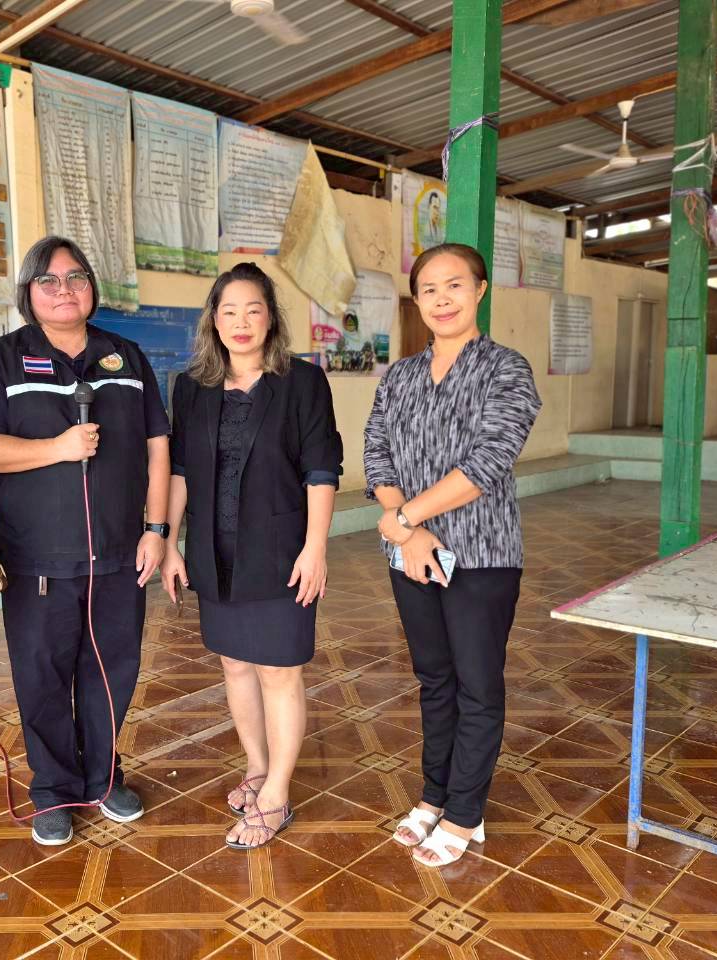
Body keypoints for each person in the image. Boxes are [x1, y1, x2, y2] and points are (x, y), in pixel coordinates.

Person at [0, 236, 171, 846]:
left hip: (119, 553)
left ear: (92, 287)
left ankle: (103, 778)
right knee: (43, 674)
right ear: (28, 291)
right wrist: (56, 448)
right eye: (48, 280)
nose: (64, 290)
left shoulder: (126, 357)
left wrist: (157, 529)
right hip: (37, 556)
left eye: (76, 277)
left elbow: (158, 447)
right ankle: (53, 790)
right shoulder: (1, 360)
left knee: (111, 670)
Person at [362, 242, 541, 869]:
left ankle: (466, 812)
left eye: (455, 285)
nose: (442, 299)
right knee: (434, 681)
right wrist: (407, 533)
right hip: (410, 557)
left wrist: (406, 519)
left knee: (476, 684)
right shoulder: (400, 377)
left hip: (483, 553)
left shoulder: (506, 369)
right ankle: (434, 795)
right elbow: (377, 453)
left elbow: (489, 461)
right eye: (429, 289)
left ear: (480, 290)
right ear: (417, 300)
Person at [161, 262, 342, 850]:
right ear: (214, 321)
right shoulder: (192, 386)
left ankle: (277, 795)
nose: (241, 322)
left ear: (271, 319)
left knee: (279, 672)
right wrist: (170, 541)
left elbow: (321, 469)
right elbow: (181, 471)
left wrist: (316, 548)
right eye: (230, 311)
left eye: (253, 310)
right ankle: (258, 768)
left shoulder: (302, 382)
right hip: (214, 552)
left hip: (283, 552)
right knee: (235, 665)